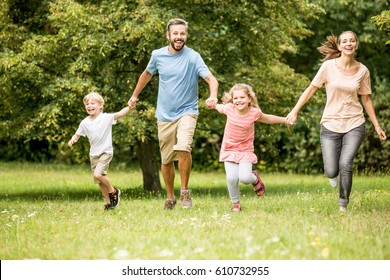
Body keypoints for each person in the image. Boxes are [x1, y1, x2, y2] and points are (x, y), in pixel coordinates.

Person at [286, 31, 387, 212]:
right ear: (339, 46)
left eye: (352, 41)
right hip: (330, 123)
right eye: (345, 41)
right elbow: (310, 89)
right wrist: (295, 111)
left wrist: (377, 125)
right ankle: (331, 175)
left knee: (346, 163)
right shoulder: (328, 67)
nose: (349, 43)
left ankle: (343, 204)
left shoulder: (363, 71)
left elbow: (366, 99)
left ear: (356, 45)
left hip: (355, 123)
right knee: (332, 170)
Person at [127, 18, 218, 210]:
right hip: (165, 115)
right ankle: (170, 197)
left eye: (182, 33)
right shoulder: (158, 55)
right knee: (166, 159)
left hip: (188, 111)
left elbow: (211, 79)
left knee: (184, 147)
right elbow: (146, 74)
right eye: (175, 33)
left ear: (186, 35)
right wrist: (134, 96)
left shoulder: (193, 57)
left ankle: (184, 191)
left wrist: (213, 96)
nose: (179, 37)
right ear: (168, 35)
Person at [212, 83, 286, 212]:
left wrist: (284, 119)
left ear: (249, 99)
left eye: (242, 97)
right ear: (232, 100)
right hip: (229, 149)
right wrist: (213, 103)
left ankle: (255, 178)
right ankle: (236, 204)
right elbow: (219, 107)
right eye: (235, 98)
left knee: (245, 178)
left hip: (245, 151)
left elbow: (268, 118)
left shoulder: (254, 113)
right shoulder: (228, 108)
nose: (239, 100)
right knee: (231, 178)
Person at [68, 92, 131, 211]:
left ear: (101, 105)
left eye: (92, 103)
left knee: (98, 174)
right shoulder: (85, 122)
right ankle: (109, 204)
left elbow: (120, 114)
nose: (89, 106)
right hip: (93, 154)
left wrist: (129, 107)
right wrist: (72, 140)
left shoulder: (106, 118)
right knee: (99, 181)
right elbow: (77, 134)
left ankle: (114, 191)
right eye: (87, 104)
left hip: (105, 152)